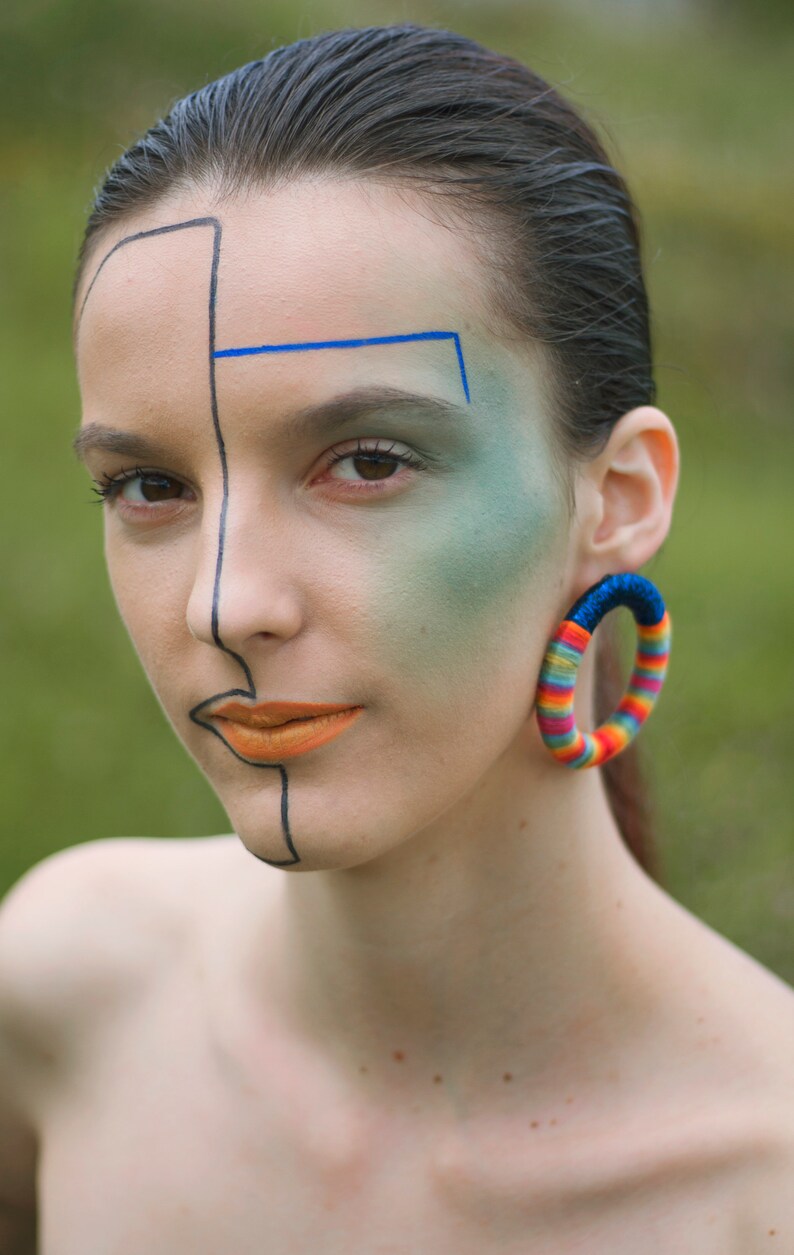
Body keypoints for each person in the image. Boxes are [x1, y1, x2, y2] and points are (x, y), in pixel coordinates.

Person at [1, 24, 792, 1253]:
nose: (223, 603)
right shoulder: (62, 993)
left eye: (366, 461)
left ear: (619, 494)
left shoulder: (757, 1186)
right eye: (149, 487)